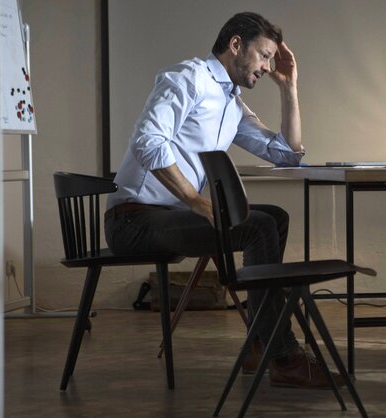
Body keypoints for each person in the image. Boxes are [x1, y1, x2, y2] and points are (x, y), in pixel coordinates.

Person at [104, 12, 339, 389]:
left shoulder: (231, 102)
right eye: (263, 55)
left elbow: (285, 154)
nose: (267, 66)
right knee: (258, 226)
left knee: (273, 218)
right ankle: (284, 355)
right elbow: (148, 141)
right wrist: (197, 202)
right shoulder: (188, 78)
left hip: (170, 218)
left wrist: (289, 88)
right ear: (235, 45)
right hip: (134, 221)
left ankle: (262, 343)